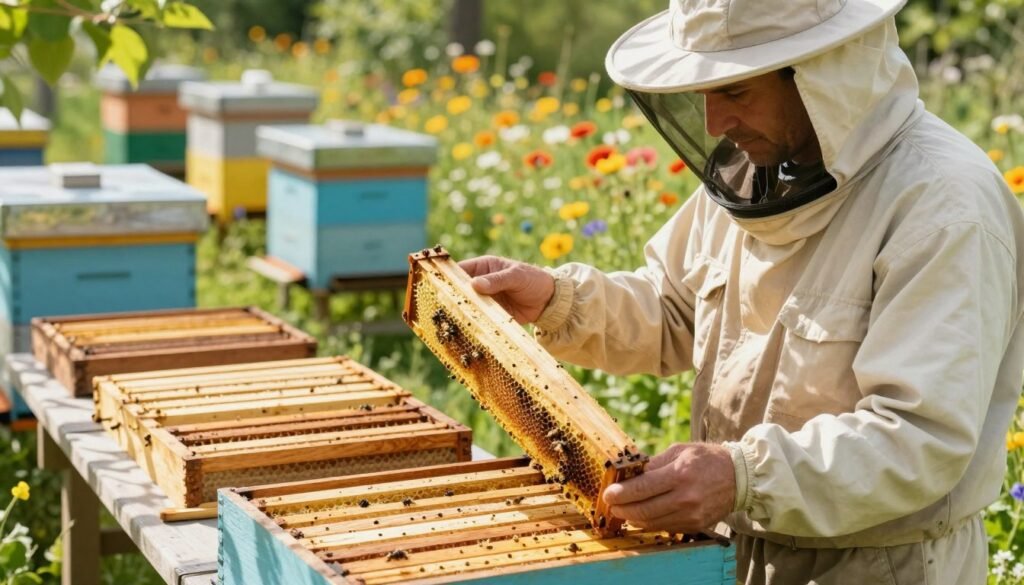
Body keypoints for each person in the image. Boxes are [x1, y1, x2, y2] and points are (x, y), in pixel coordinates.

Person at [459, 0, 1024, 582]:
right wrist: (556, 299)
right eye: (704, 93)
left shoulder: (944, 207)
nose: (713, 124)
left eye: (735, 92)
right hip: (739, 549)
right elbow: (674, 310)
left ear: (825, 77)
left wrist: (742, 475)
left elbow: (920, 438)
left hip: (879, 567)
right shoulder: (764, 168)